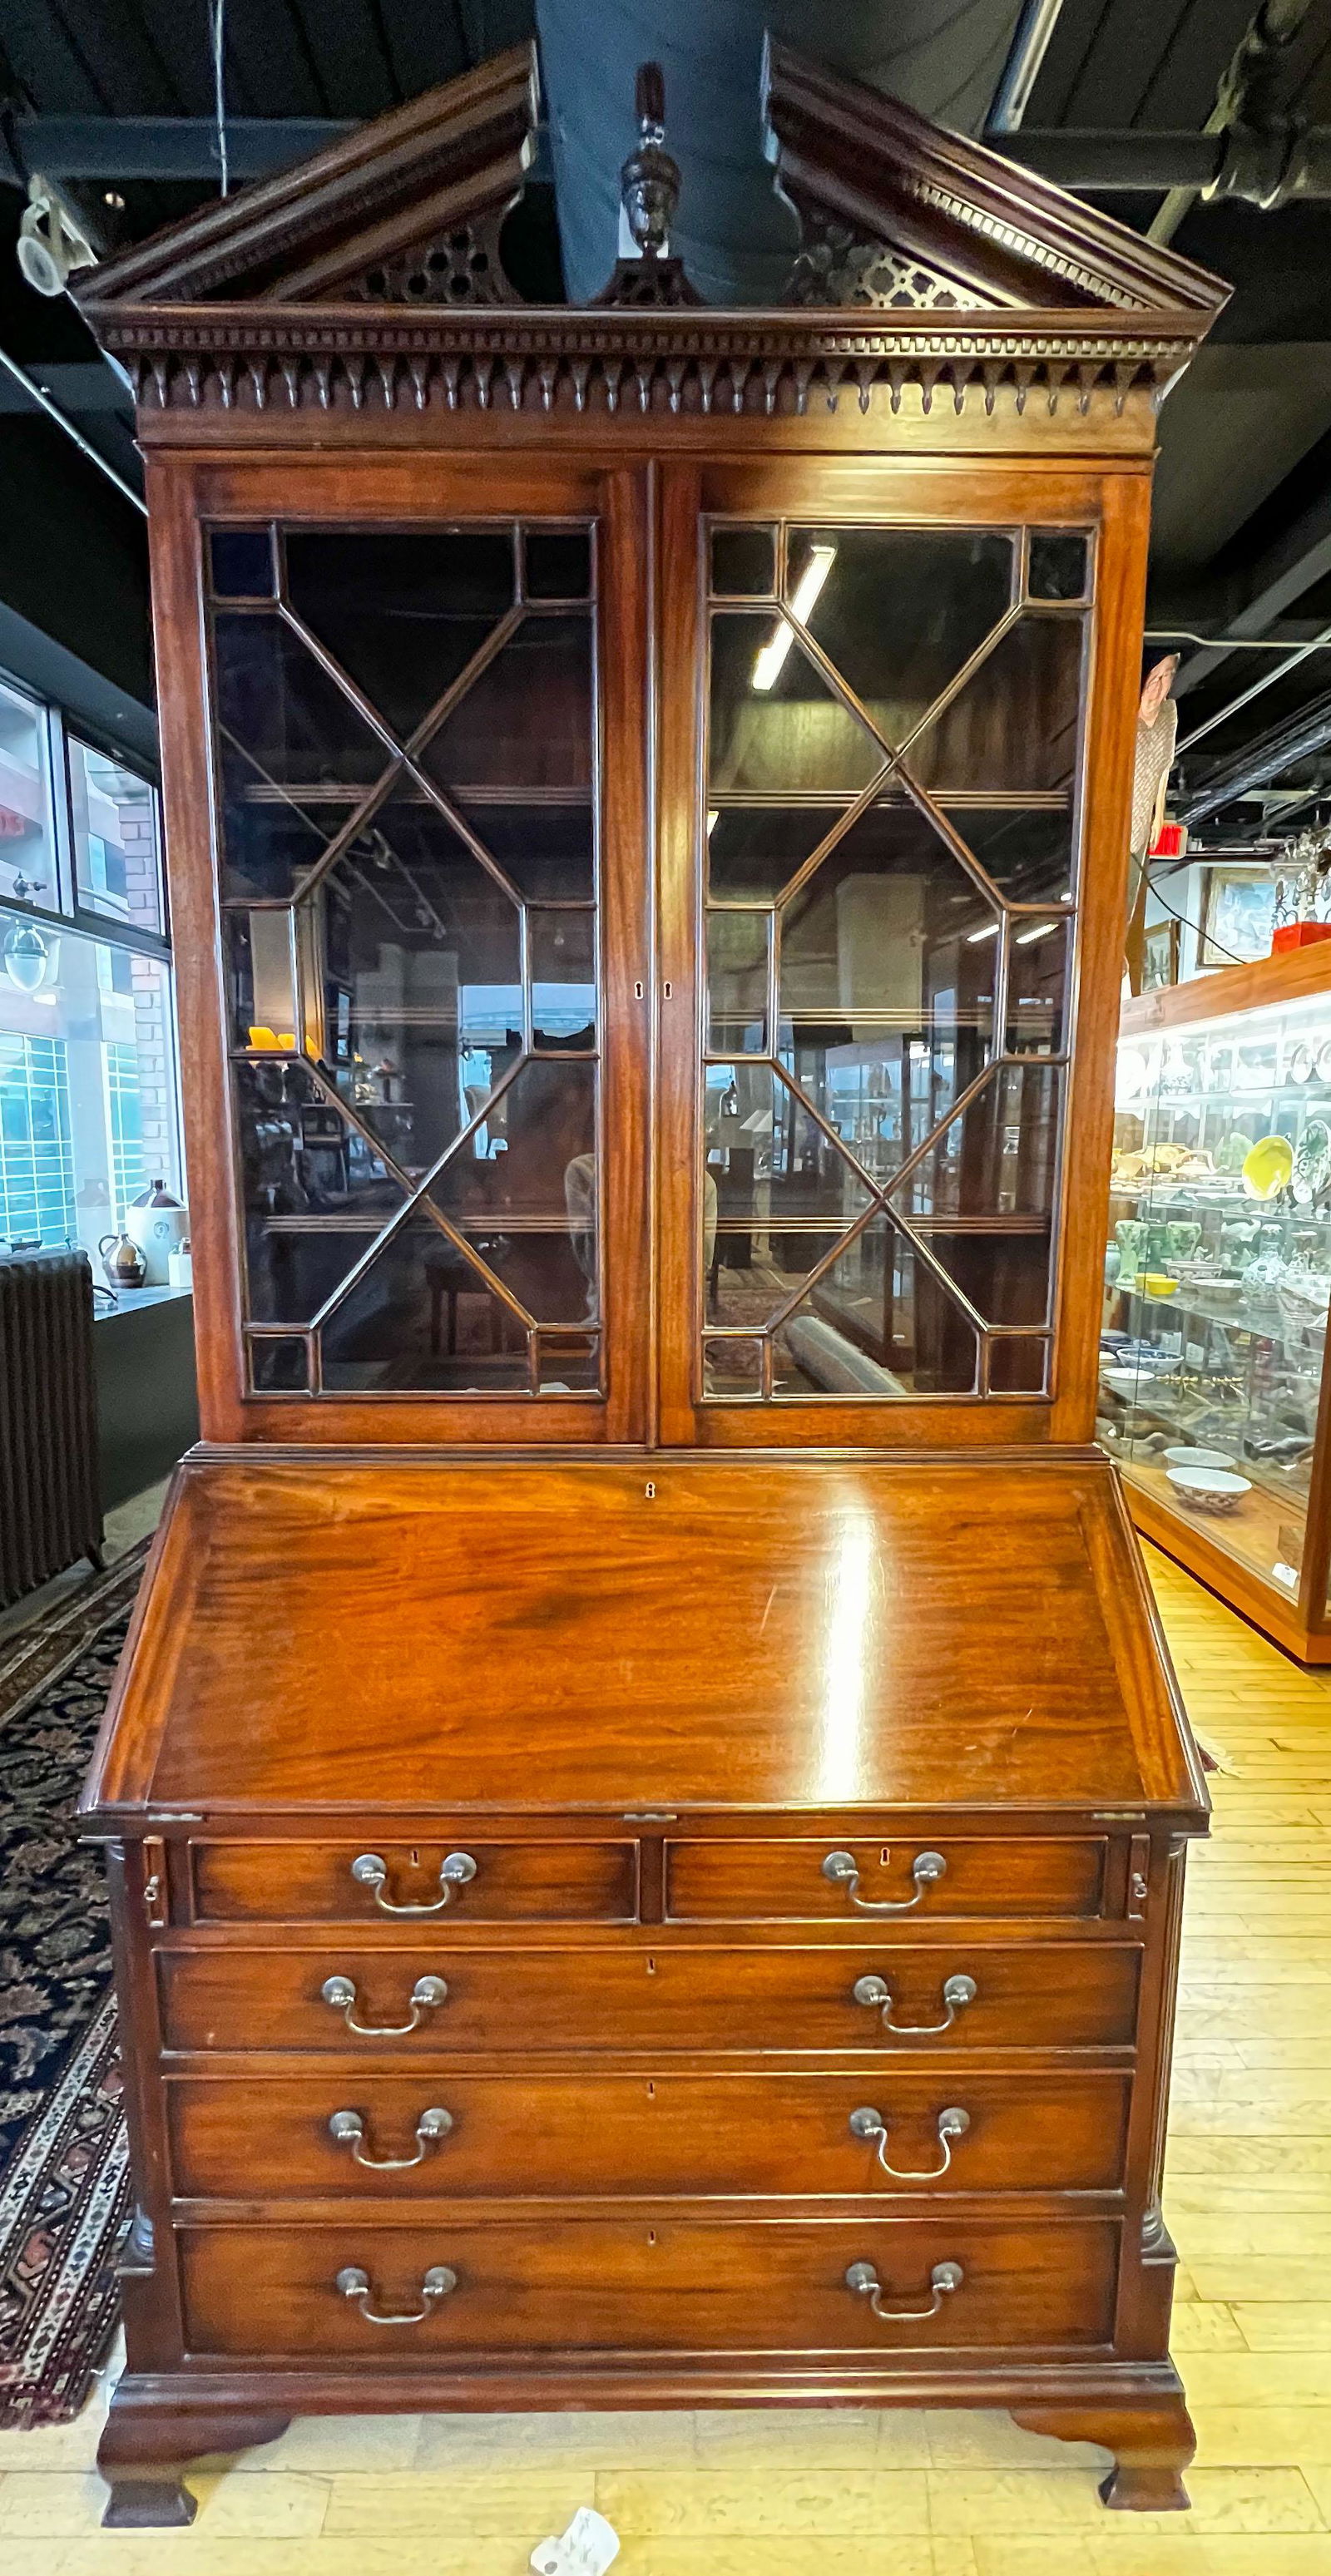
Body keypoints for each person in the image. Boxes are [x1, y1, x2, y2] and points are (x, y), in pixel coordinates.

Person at [1125, 650, 1180, 993]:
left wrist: (1159, 813)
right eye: (1154, 677)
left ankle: (1118, 948)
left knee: (1131, 890)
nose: (1159, 687)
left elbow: (1164, 768)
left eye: (1168, 677)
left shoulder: (1168, 715)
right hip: (1116, 817)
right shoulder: (1124, 715)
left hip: (1144, 817)